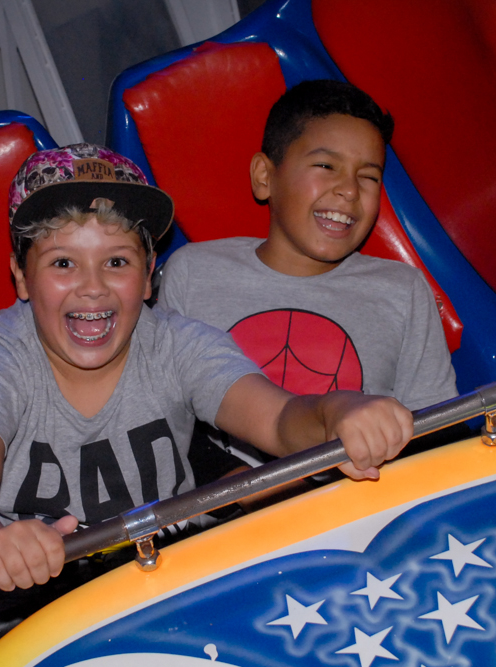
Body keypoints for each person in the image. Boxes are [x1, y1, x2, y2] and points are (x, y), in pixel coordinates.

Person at [0, 143, 413, 593]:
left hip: (172, 583)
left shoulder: (179, 344)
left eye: (116, 262)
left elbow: (278, 418)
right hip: (38, 597)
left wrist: (338, 412)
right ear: (21, 277)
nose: (92, 287)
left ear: (149, 276)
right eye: (63, 264)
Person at [157, 80, 457, 480]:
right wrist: (236, 488)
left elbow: (439, 432)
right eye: (326, 166)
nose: (349, 190)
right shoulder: (194, 272)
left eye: (368, 176)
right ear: (265, 176)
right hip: (224, 518)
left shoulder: (402, 290)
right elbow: (159, 415)